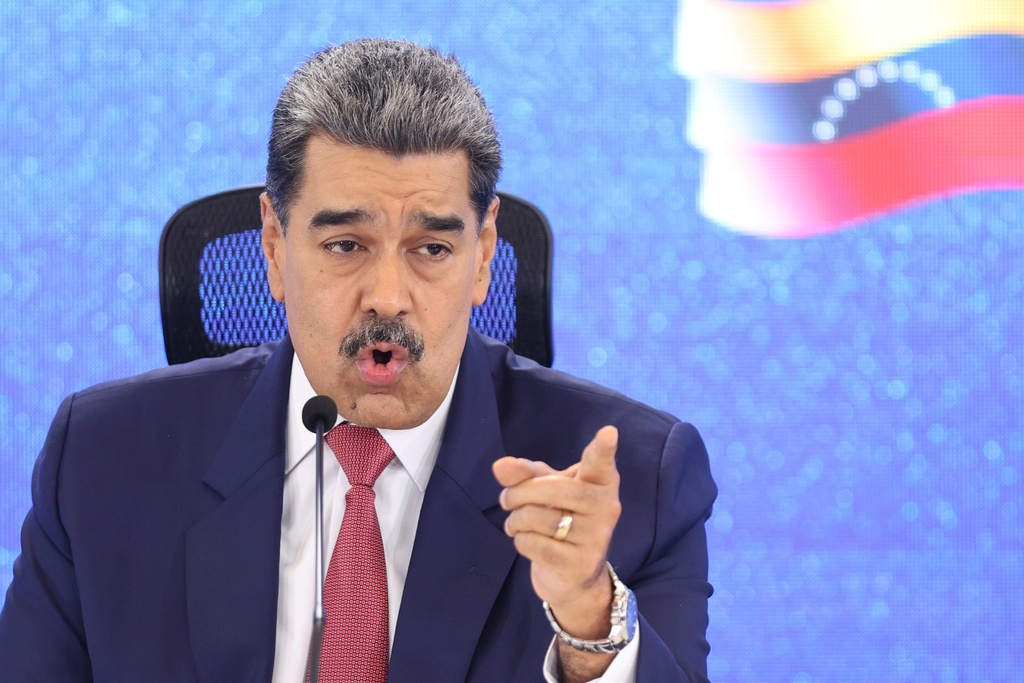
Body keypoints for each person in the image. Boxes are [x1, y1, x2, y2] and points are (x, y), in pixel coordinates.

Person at [0, 39, 716, 682]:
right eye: (346, 246)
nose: (388, 296)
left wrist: (590, 618)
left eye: (431, 249)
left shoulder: (632, 483)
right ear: (276, 248)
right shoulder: (100, 460)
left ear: (484, 254)